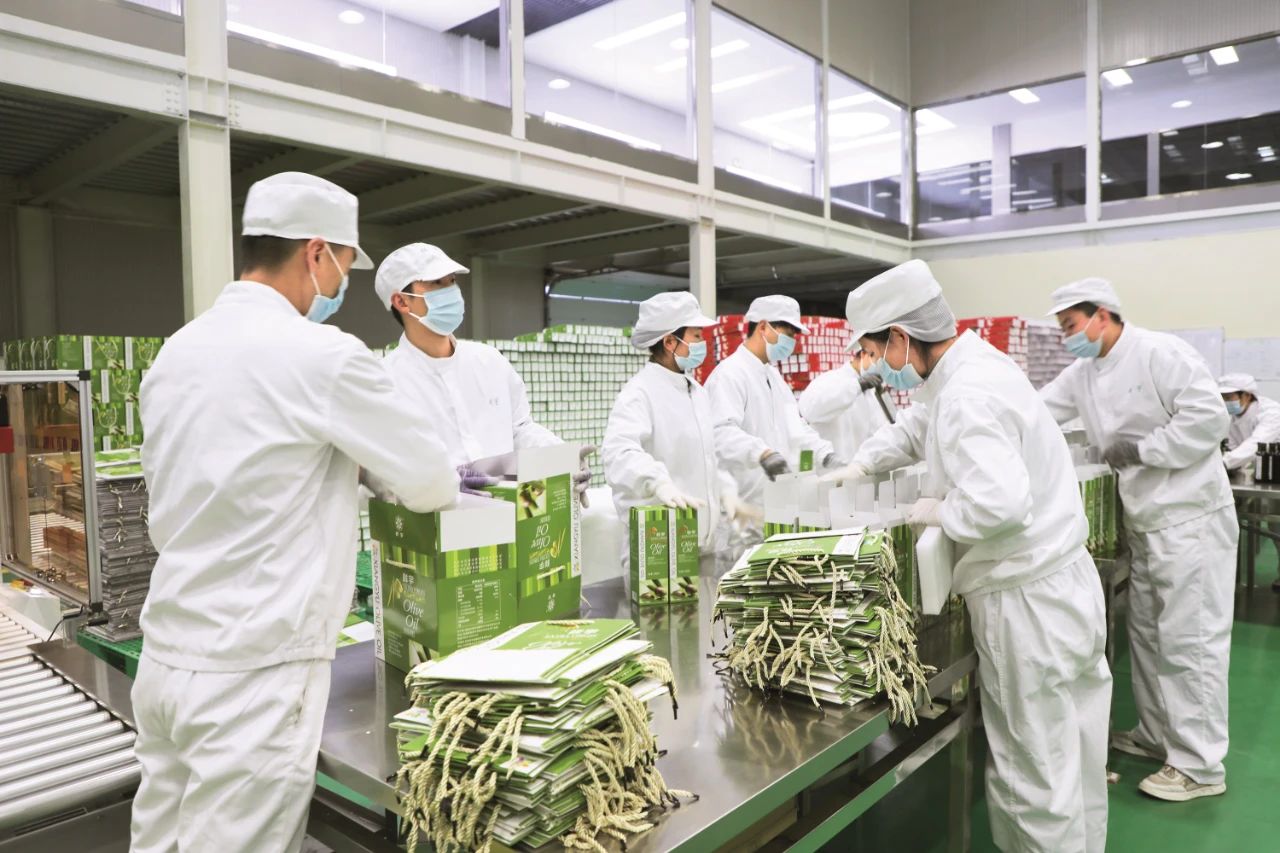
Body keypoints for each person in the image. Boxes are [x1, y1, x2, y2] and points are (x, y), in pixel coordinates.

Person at [132, 173, 459, 852]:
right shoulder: (322, 356)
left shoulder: (177, 352)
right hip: (255, 674)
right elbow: (431, 481)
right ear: (316, 254)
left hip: (167, 656)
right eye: (342, 264)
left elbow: (212, 482)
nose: (340, 284)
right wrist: (362, 465)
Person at [825, 260, 1112, 852]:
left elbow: (999, 503)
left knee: (1033, 775)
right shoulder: (975, 368)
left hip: (1025, 604)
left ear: (901, 337)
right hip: (1065, 585)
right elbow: (919, 427)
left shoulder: (965, 395)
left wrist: (940, 510)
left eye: (877, 352)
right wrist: (861, 464)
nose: (877, 366)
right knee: (1074, 754)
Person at [1040, 277, 1236, 803]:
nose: (1067, 337)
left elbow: (1209, 419)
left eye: (1072, 325)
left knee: (1191, 640)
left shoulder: (1160, 353)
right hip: (1146, 522)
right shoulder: (1083, 374)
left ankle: (1199, 765)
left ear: (1102, 316)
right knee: (1149, 637)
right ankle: (1157, 735)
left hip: (1191, 517)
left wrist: (1144, 449)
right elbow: (1037, 410)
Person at [375, 242, 592, 501]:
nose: (451, 291)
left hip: (511, 507)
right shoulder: (384, 382)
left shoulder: (489, 361)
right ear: (401, 301)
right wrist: (446, 486)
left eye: (452, 281)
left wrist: (562, 457)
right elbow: (380, 475)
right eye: (436, 283)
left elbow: (520, 430)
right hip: (439, 518)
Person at [602, 292, 744, 561]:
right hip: (658, 546)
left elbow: (707, 456)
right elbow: (619, 453)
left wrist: (726, 490)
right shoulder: (639, 393)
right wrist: (657, 482)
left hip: (703, 542)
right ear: (669, 342)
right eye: (696, 336)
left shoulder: (697, 392)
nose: (703, 343)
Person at [705, 294, 842, 514]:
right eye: (788, 335)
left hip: (776, 502)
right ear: (763, 327)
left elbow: (795, 426)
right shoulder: (729, 375)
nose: (792, 343)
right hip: (741, 507)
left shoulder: (773, 376)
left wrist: (825, 454)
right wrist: (762, 453)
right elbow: (719, 433)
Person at [1218, 373, 1280, 592]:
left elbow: (1255, 444)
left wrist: (1223, 463)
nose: (1227, 402)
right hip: (1268, 477)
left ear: (1246, 395)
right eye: (1223, 398)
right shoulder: (1234, 418)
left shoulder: (1271, 413)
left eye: (1230, 397)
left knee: (1277, 523)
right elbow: (1234, 446)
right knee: (1274, 525)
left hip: (1276, 474)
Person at [797, 340, 891, 461]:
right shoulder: (829, 380)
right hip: (829, 468)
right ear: (864, 354)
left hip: (858, 469)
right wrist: (857, 385)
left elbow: (879, 432)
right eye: (880, 362)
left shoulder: (871, 393)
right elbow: (809, 411)